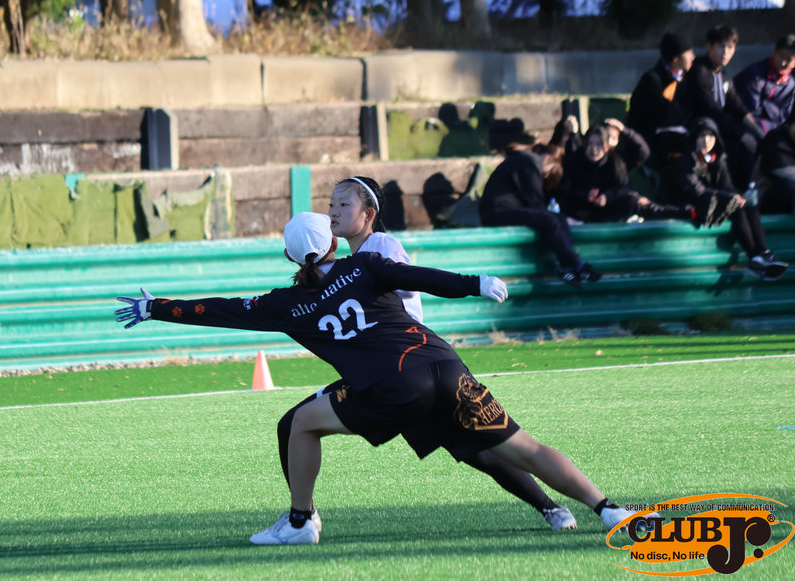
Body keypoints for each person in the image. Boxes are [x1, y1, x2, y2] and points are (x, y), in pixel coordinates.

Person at [115, 212, 644, 545]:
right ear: (333, 241)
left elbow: (220, 309)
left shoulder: (285, 303)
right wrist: (475, 282)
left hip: (391, 386)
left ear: (289, 255)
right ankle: (609, 510)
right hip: (445, 364)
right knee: (524, 446)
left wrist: (156, 307)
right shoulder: (365, 264)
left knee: (298, 424)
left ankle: (300, 522)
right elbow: (419, 278)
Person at [276, 176, 578, 533]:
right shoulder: (355, 259)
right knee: (475, 448)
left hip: (403, 365)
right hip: (394, 368)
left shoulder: (381, 246)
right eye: (331, 205)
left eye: (343, 205)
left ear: (369, 214)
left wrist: (471, 283)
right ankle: (552, 508)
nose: (333, 213)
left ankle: (301, 518)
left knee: (480, 447)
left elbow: (406, 285)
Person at [664, 117, 789, 281]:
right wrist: (730, 197)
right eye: (702, 136)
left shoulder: (718, 159)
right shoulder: (683, 160)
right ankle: (754, 258)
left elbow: (727, 186)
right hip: (695, 206)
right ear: (694, 138)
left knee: (749, 205)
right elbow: (696, 191)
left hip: (717, 202)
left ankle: (763, 253)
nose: (706, 140)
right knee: (735, 206)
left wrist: (737, 197)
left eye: (710, 136)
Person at [479, 143, 602, 288]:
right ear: (547, 158)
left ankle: (568, 268)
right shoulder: (530, 162)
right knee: (549, 218)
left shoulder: (525, 160)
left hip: (501, 210)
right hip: (497, 213)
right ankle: (578, 264)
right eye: (547, 174)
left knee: (558, 217)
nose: (544, 176)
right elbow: (535, 203)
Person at [558, 122, 692, 223]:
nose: (594, 149)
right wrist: (586, 195)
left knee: (634, 201)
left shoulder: (615, 160)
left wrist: (607, 197)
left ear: (606, 147)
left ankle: (686, 213)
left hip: (607, 210)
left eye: (598, 144)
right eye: (590, 144)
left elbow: (624, 186)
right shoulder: (573, 160)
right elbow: (564, 190)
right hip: (580, 211)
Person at [684, 25, 762, 191]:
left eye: (730, 47)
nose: (725, 52)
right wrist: (741, 134)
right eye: (720, 46)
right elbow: (710, 109)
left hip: (721, 127)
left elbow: (737, 106)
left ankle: (746, 193)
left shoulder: (723, 74)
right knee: (735, 148)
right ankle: (730, 194)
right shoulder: (699, 70)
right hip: (701, 129)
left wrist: (758, 132)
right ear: (709, 46)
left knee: (751, 144)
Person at [627, 31, 696, 166]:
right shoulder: (652, 80)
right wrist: (683, 115)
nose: (693, 57)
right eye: (689, 53)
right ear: (676, 59)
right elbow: (665, 115)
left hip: (673, 137)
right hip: (650, 142)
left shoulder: (685, 79)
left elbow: (690, 109)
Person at [732, 34, 795, 141]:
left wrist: (765, 104)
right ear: (774, 52)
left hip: (772, 131)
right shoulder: (755, 74)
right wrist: (774, 112)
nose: (783, 62)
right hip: (745, 126)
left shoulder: (791, 85)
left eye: (789, 59)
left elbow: (784, 116)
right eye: (781, 56)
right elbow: (752, 109)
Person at [758, 111, 795, 213]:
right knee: (789, 186)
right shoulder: (775, 138)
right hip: (766, 198)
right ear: (790, 124)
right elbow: (782, 170)